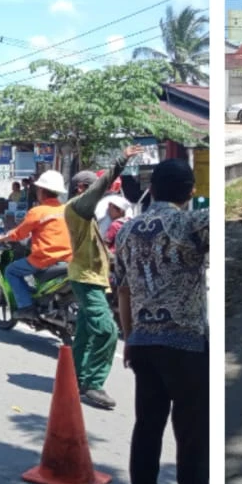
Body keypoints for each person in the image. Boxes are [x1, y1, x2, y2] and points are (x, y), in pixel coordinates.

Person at [114, 157, 210, 484]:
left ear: (151, 189)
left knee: (147, 429)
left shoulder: (125, 231)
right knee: (191, 438)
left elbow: (122, 290)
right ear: (189, 192)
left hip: (142, 342)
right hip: (185, 344)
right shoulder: (191, 223)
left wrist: (129, 337)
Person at [63, 148, 141, 411]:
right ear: (81, 189)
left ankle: (74, 377)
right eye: (93, 190)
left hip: (91, 276)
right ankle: (93, 383)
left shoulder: (89, 218)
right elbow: (101, 185)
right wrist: (121, 159)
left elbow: (98, 248)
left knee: (85, 331)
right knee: (107, 330)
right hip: (86, 278)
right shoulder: (78, 207)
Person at [2, 170, 72, 310]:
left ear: (41, 190)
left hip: (44, 259)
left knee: (11, 270)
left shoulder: (37, 211)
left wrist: (4, 237)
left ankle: (26, 306)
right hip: (69, 258)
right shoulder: (67, 210)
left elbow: (19, 233)